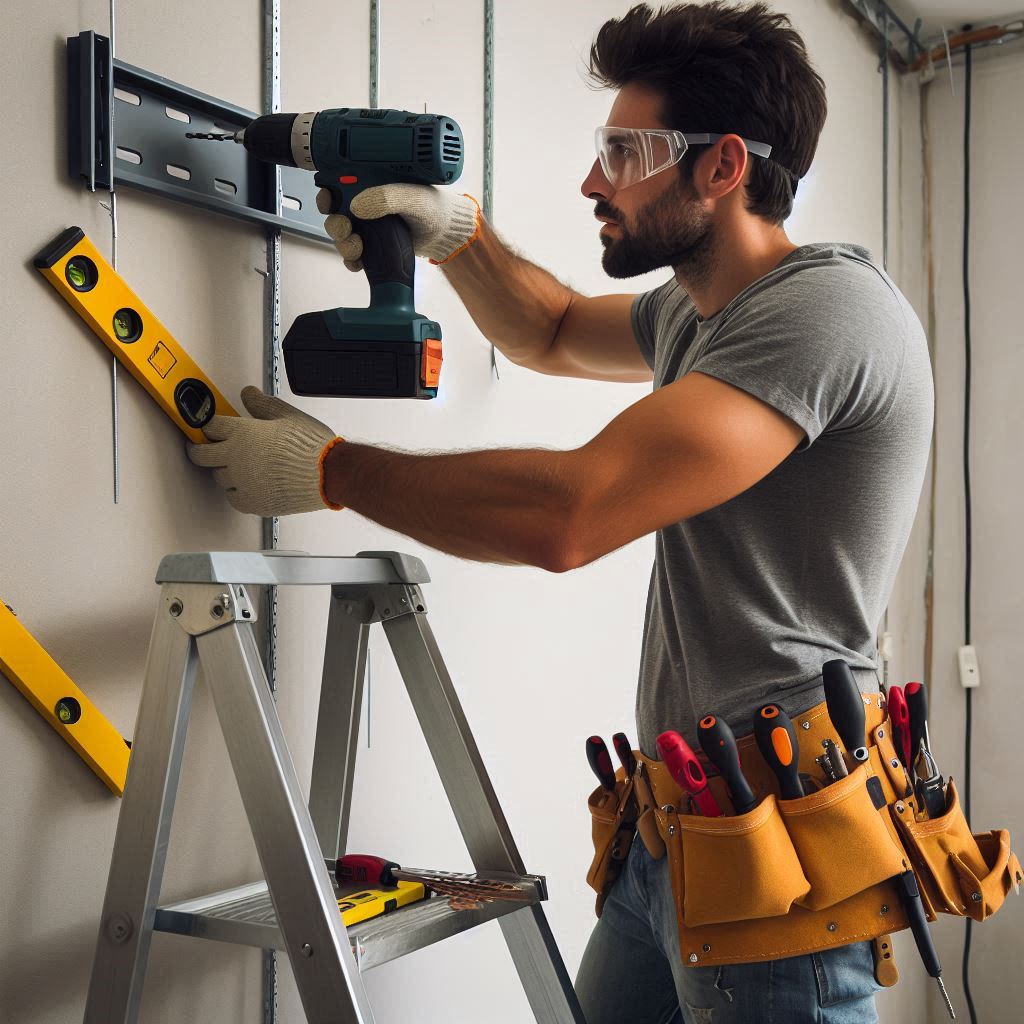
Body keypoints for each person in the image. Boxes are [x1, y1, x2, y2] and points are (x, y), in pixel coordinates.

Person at [188, 2, 933, 1019]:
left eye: (624, 152)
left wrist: (334, 471)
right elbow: (548, 327)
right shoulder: (698, 311)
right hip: (675, 831)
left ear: (720, 167)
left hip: (782, 860)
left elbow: (571, 515)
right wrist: (456, 233)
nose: (594, 180)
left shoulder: (824, 315)